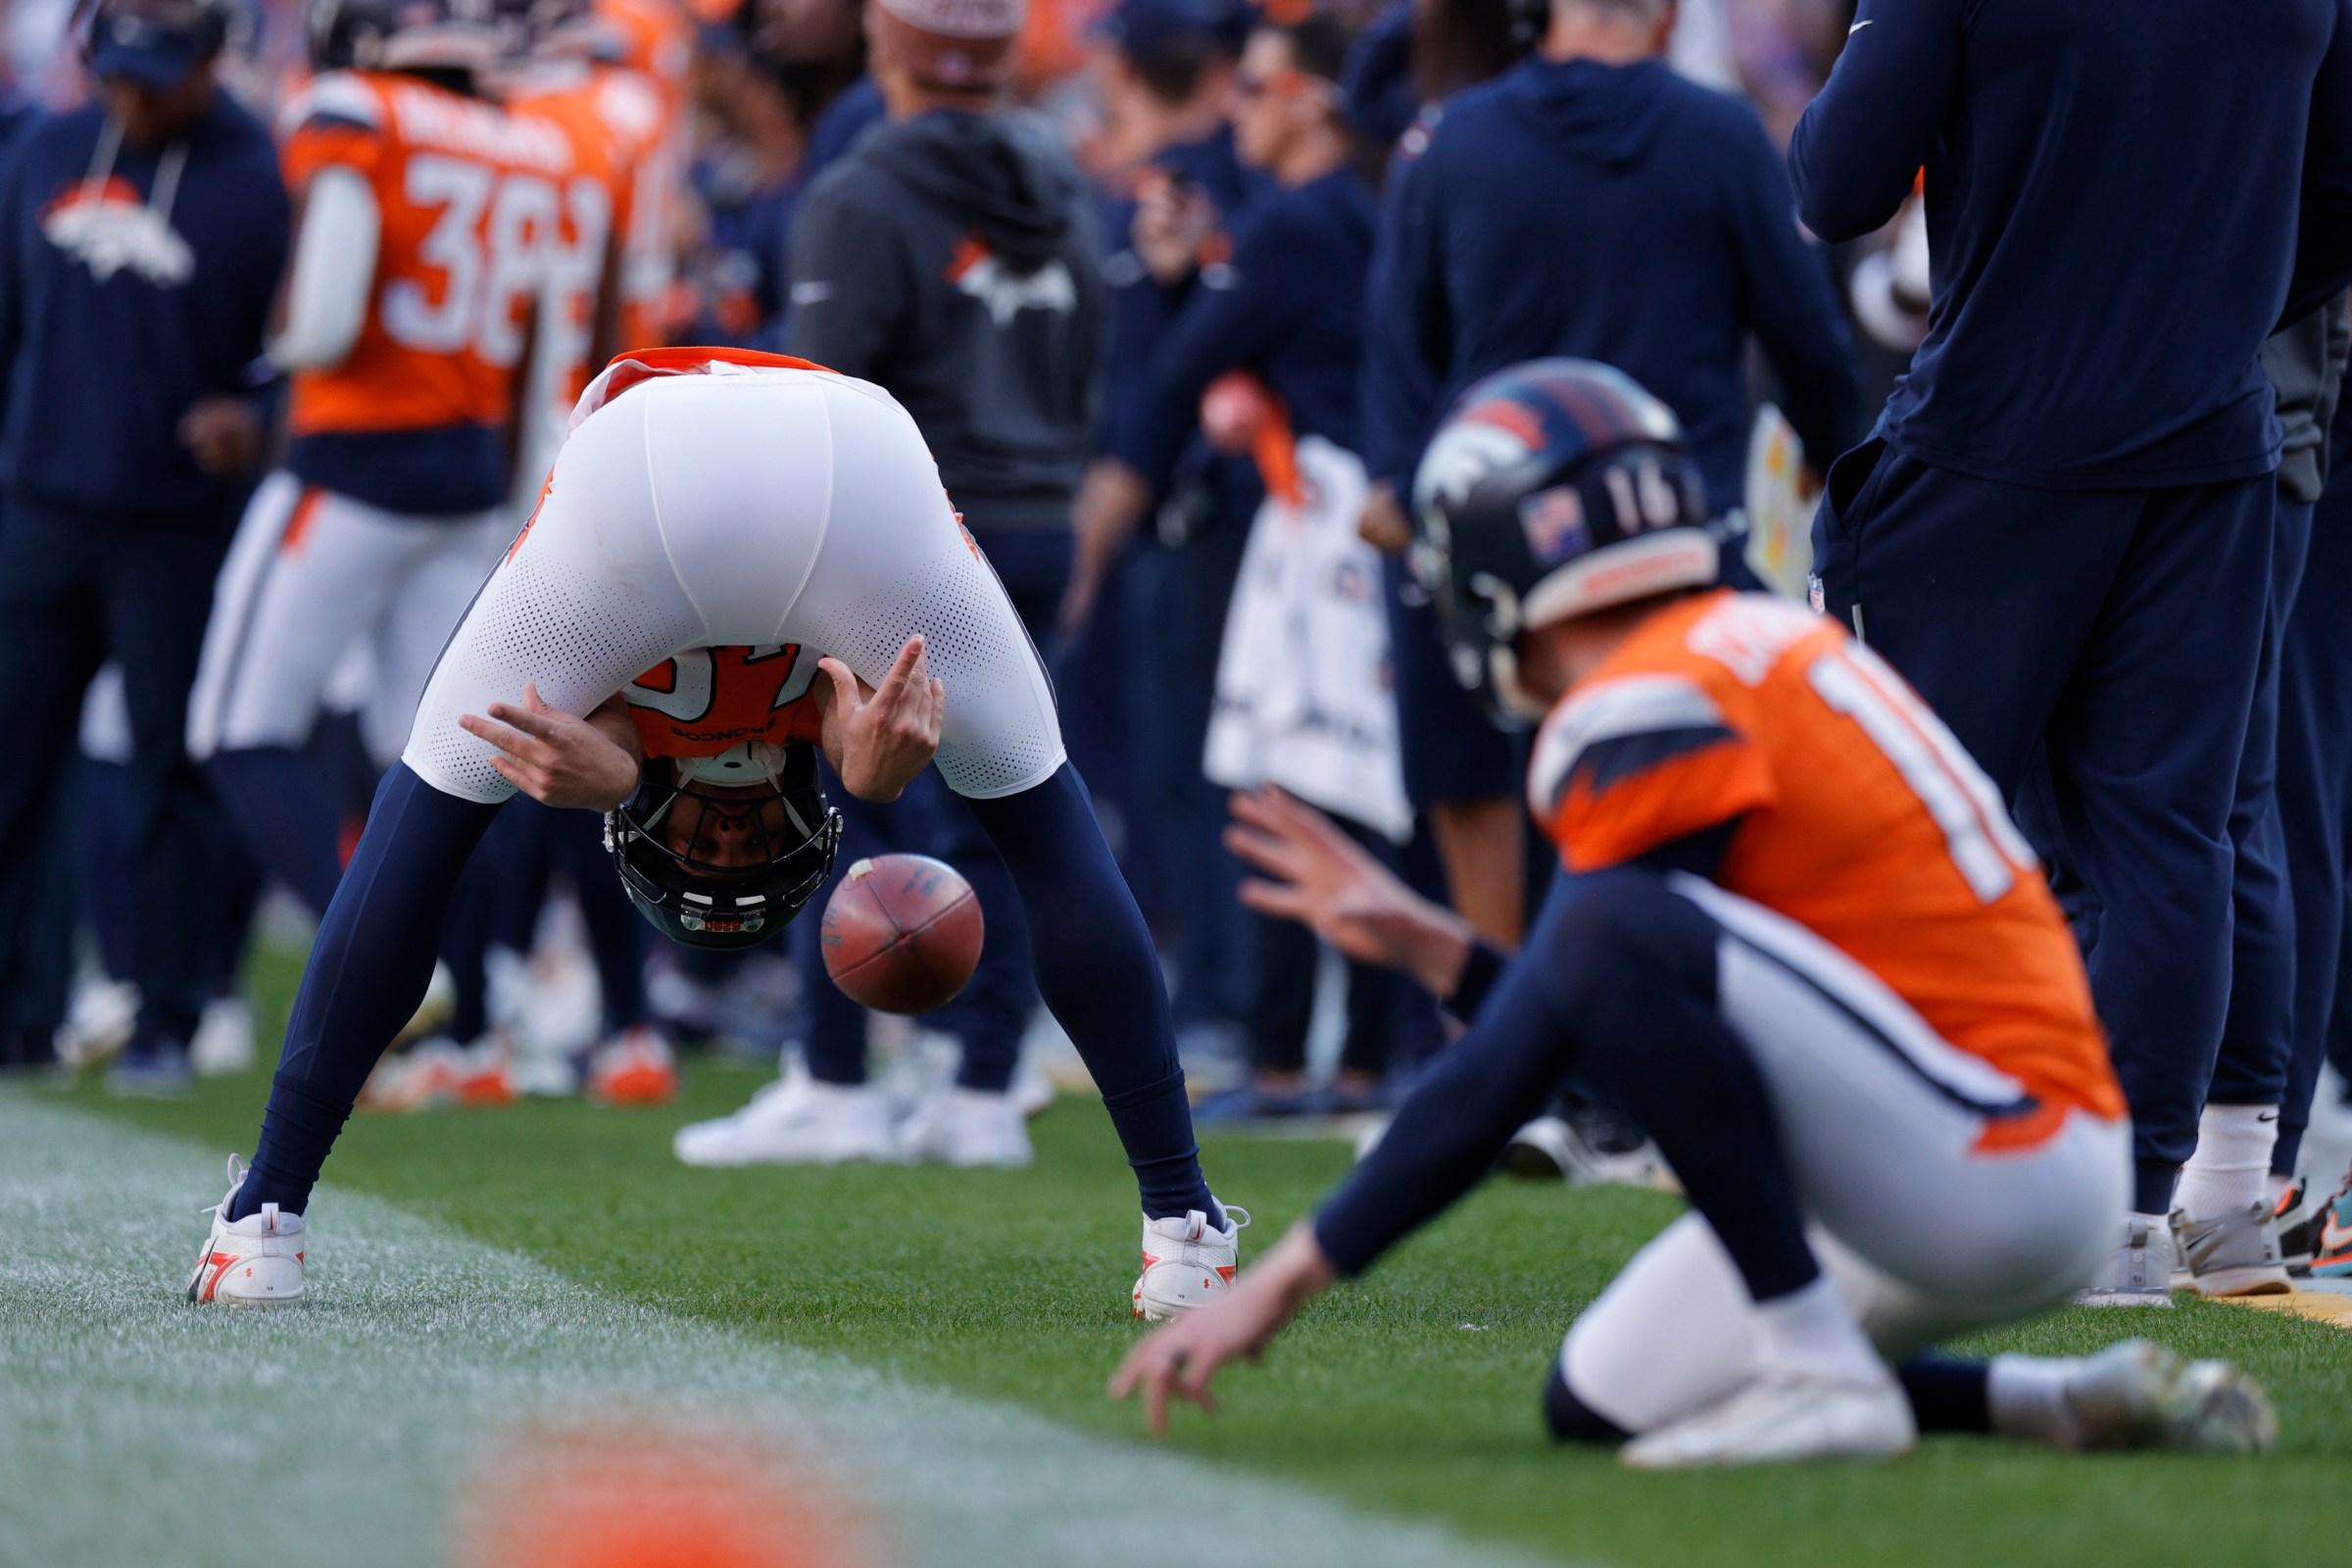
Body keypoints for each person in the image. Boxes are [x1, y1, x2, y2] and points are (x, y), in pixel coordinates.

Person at [1111, 359, 2271, 1467]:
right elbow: (1628, 1029)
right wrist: (1438, 949)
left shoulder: (1647, 698)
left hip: (1995, 1149)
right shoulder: (1744, 647)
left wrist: (1288, 1279)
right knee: (1603, 1395)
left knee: (1614, 925)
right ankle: (2060, 1398)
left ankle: (1822, 1369)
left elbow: (1595, 973)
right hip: (1953, 1140)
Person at [187, 345, 1245, 1322]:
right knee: (1040, 816)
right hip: (846, 467)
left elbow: (409, 864)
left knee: (423, 814)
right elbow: (847, 718)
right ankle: (1183, 1220)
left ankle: (267, 1211)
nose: (729, 832)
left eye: (707, 844)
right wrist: (874, 771)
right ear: (802, 815)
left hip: (671, 479)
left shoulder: (600, 727)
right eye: (748, 845)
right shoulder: (814, 732)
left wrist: (618, 768)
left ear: (645, 827)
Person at [1791, 0, 2352, 1301]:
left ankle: (1897, 1184)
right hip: (2209, 438)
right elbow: (2336, 193)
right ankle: (2127, 1216)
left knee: (1903, 826)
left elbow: (1832, 183)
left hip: (1997, 436)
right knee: (2171, 838)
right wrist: (2211, 310)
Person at [676, 0, 1107, 1169]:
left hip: (910, 524)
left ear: (888, 46)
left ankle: (835, 1075)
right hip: (1033, 516)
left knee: (840, 793)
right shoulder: (1066, 184)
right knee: (1013, 800)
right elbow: (1089, 374)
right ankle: (982, 1083)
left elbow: (823, 406)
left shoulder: (860, 192)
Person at [1357, 0, 1856, 950]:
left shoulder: (1452, 141)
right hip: (1674, 554)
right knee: (1676, 858)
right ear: (1667, 10)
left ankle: (1497, 1050)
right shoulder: (1720, 134)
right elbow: (1812, 350)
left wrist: (1406, 495)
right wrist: (1850, 478)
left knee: (1476, 791)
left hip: (1494, 557)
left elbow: (1395, 360)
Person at [1076, 11, 1420, 1117]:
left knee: (1288, 776)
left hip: (1316, 527)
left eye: (1261, 92)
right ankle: (1361, 1053)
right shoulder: (1363, 204)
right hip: (1366, 515)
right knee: (1355, 779)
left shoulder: (1298, 222)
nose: (1239, 110)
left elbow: (1182, 377)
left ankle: (1284, 1059)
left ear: (1311, 105)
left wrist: (1180, 286)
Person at [183, 0, 564, 971]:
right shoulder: (524, 141)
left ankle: (380, 958)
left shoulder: (355, 110)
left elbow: (323, 322)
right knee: (439, 760)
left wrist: (266, 353)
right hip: (472, 478)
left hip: (353, 465)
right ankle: (471, 1005)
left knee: (234, 728)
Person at [0, 0, 288, 1086]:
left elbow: (303, 352)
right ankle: (16, 1012)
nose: (132, 94)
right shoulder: (44, 150)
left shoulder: (263, 179)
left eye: (157, 75)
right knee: (14, 764)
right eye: (116, 73)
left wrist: (257, 423)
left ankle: (170, 1015)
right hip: (39, 505)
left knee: (174, 770)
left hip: (174, 526)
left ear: (215, 59)